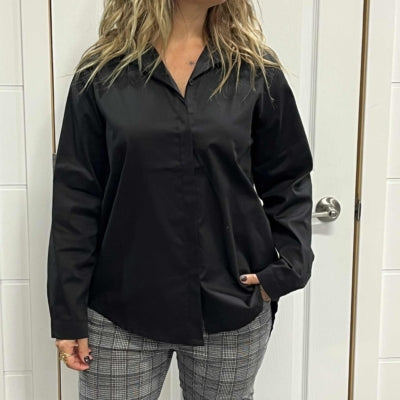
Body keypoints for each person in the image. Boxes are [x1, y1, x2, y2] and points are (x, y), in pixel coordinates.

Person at [47, 0, 315, 398]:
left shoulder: (253, 70)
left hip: (231, 306)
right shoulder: (103, 73)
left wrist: (288, 266)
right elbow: (76, 196)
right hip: (120, 310)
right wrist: (68, 312)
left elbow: (288, 177)